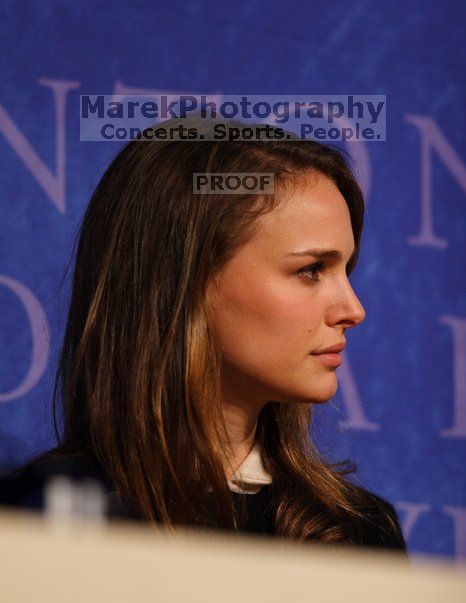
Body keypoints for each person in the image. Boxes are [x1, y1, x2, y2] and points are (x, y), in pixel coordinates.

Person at [0, 116, 407, 555]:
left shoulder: (360, 534)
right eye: (311, 270)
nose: (354, 310)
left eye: (345, 270)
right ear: (186, 280)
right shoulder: (40, 515)